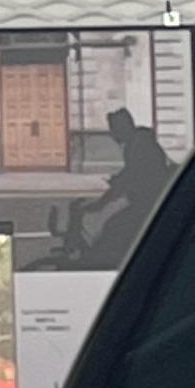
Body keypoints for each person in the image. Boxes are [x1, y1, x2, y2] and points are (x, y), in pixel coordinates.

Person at [76, 107, 174, 268]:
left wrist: (102, 202)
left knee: (115, 228)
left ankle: (115, 265)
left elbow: (133, 176)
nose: (112, 135)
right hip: (148, 201)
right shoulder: (138, 142)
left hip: (150, 202)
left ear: (123, 127)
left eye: (114, 129)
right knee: (117, 228)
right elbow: (130, 173)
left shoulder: (139, 145)